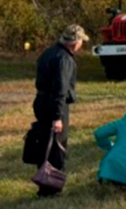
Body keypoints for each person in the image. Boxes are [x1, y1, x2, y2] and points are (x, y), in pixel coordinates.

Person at [30, 24, 88, 197]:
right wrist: (57, 117)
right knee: (57, 147)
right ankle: (52, 188)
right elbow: (60, 89)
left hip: (41, 101)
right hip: (55, 105)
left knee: (44, 145)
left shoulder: (48, 52)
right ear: (75, 42)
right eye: (81, 42)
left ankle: (43, 184)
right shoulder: (65, 59)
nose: (81, 45)